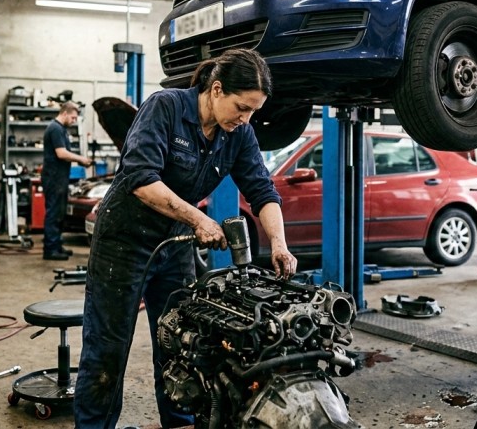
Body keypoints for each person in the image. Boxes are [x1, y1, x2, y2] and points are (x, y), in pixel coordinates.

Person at [74, 48, 298, 428]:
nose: (246, 119)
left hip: (174, 243)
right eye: (242, 107)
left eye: (253, 112)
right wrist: (198, 219)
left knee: (179, 341)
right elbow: (140, 179)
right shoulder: (165, 108)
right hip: (124, 242)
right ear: (215, 90)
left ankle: (178, 422)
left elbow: (262, 191)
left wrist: (279, 242)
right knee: (108, 348)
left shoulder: (238, 134)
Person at [41, 101, 92, 260]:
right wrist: (81, 159)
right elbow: (61, 153)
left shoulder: (61, 129)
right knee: (53, 213)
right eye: (73, 117)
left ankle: (56, 245)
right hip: (53, 178)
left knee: (59, 213)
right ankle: (50, 249)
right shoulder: (55, 128)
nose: (74, 121)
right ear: (64, 113)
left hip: (59, 178)